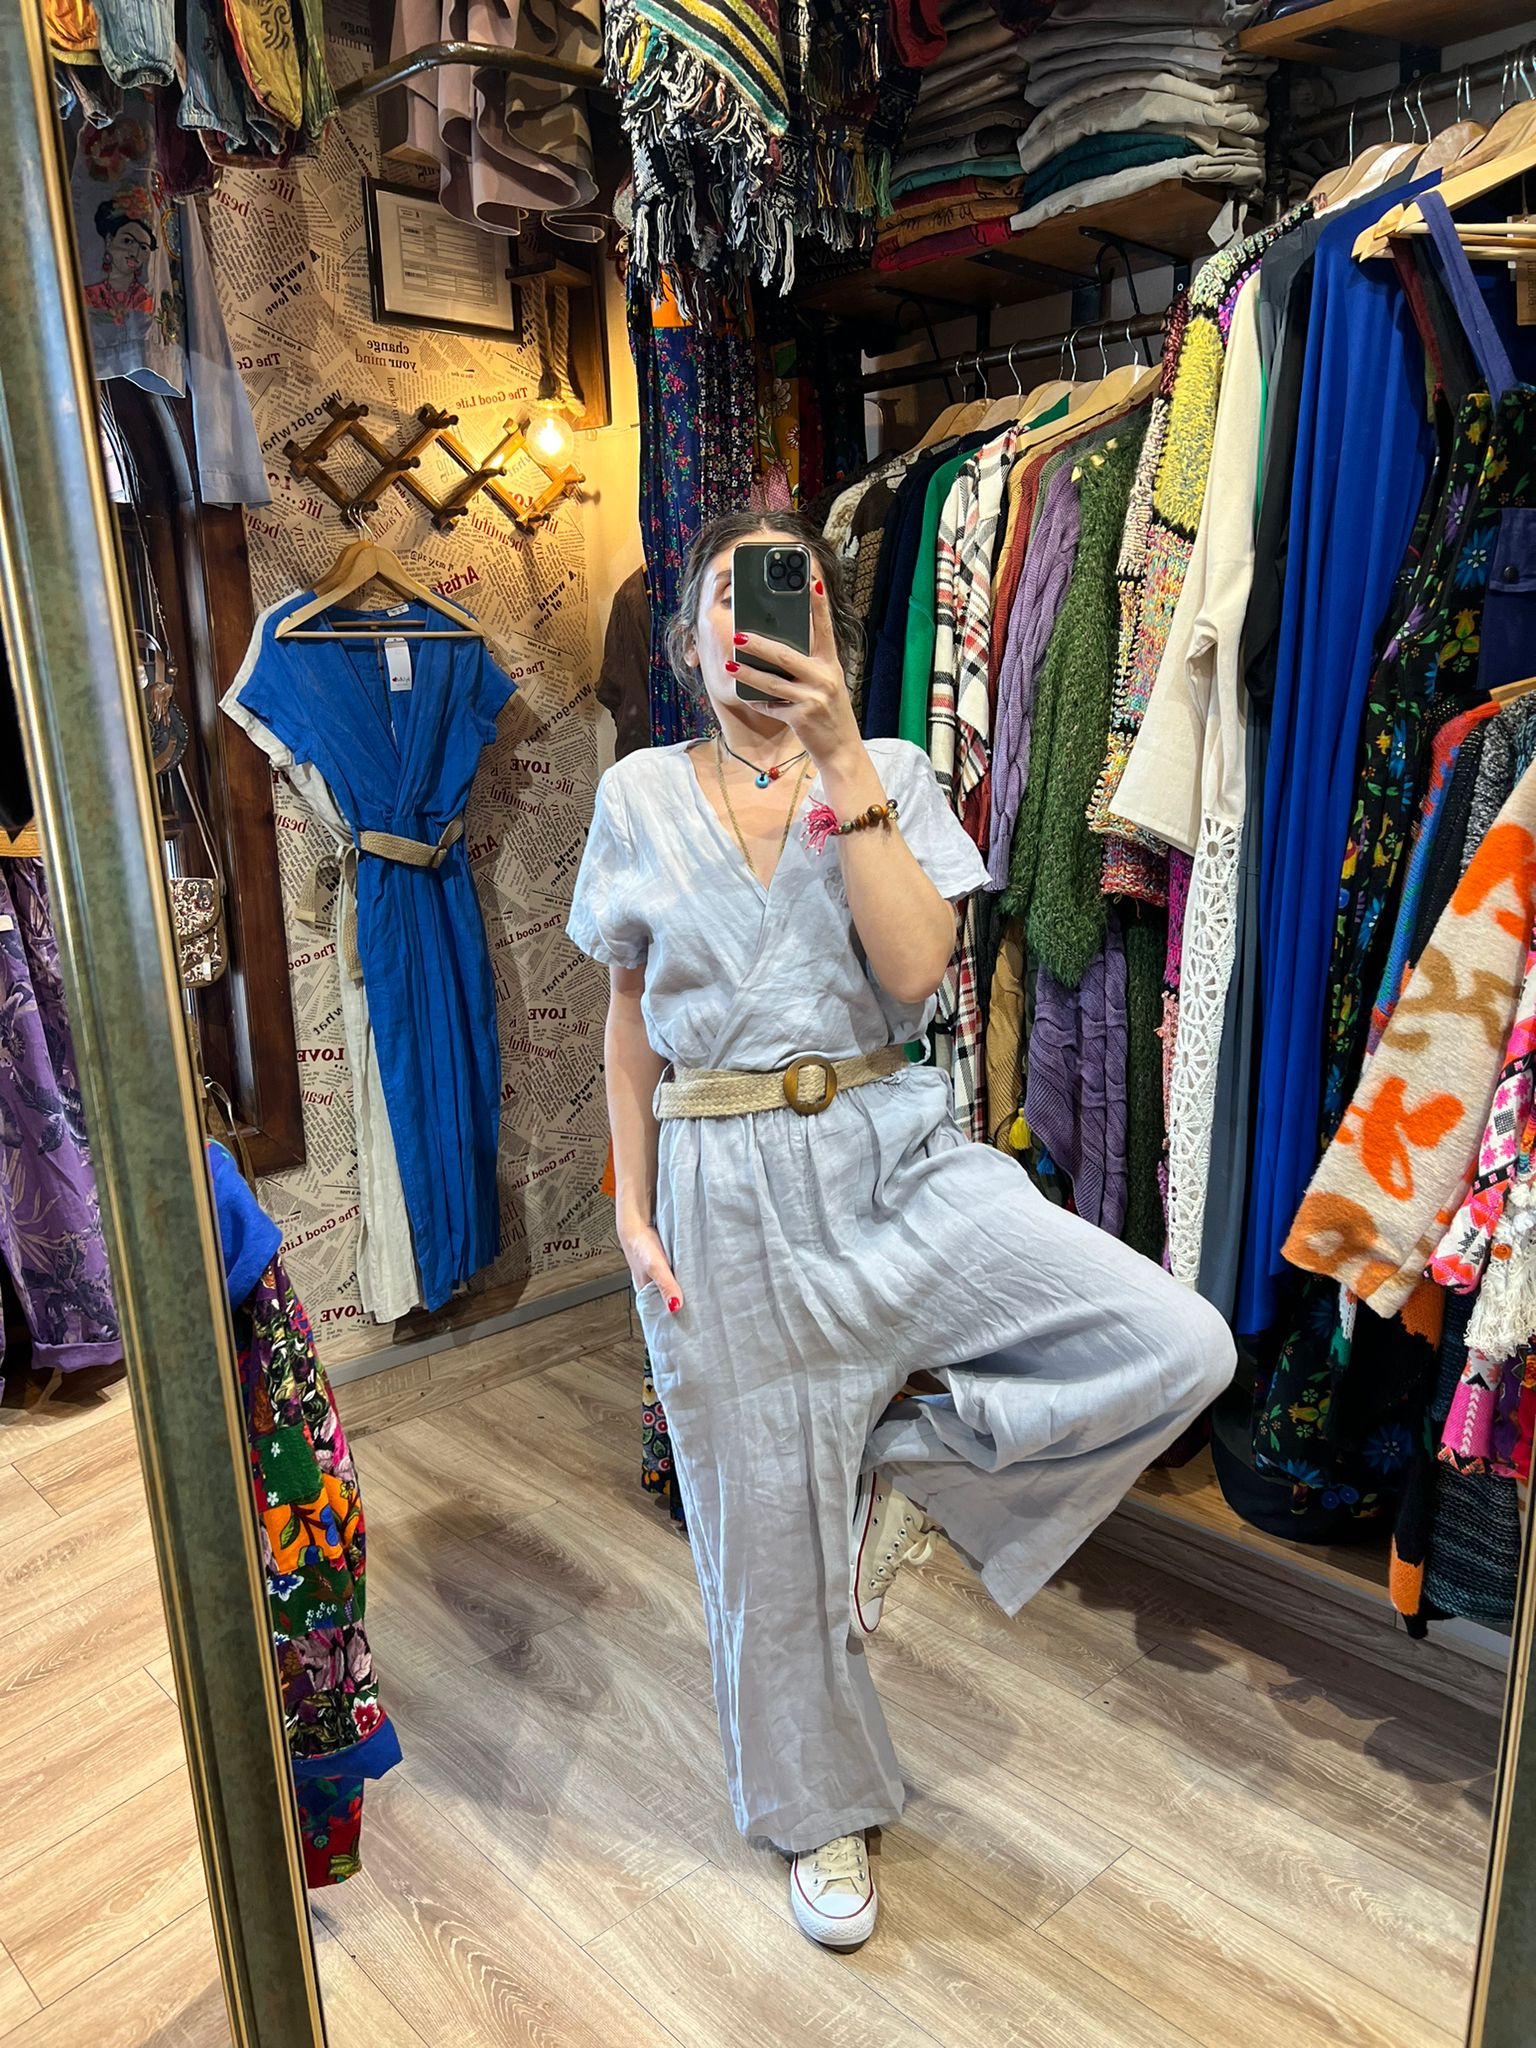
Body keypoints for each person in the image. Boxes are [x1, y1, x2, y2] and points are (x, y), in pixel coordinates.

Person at [565, 509, 1235, 1950]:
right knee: (763, 1551)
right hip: (719, 1190)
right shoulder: (636, 794)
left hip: (894, 1156)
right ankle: (820, 1811)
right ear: (690, 638)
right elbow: (626, 1017)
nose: (755, 625)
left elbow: (921, 964)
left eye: (789, 599)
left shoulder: (892, 770)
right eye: (730, 600)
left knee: (1177, 1344)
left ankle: (904, 1468)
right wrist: (628, 1205)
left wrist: (842, 758)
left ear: (828, 630)